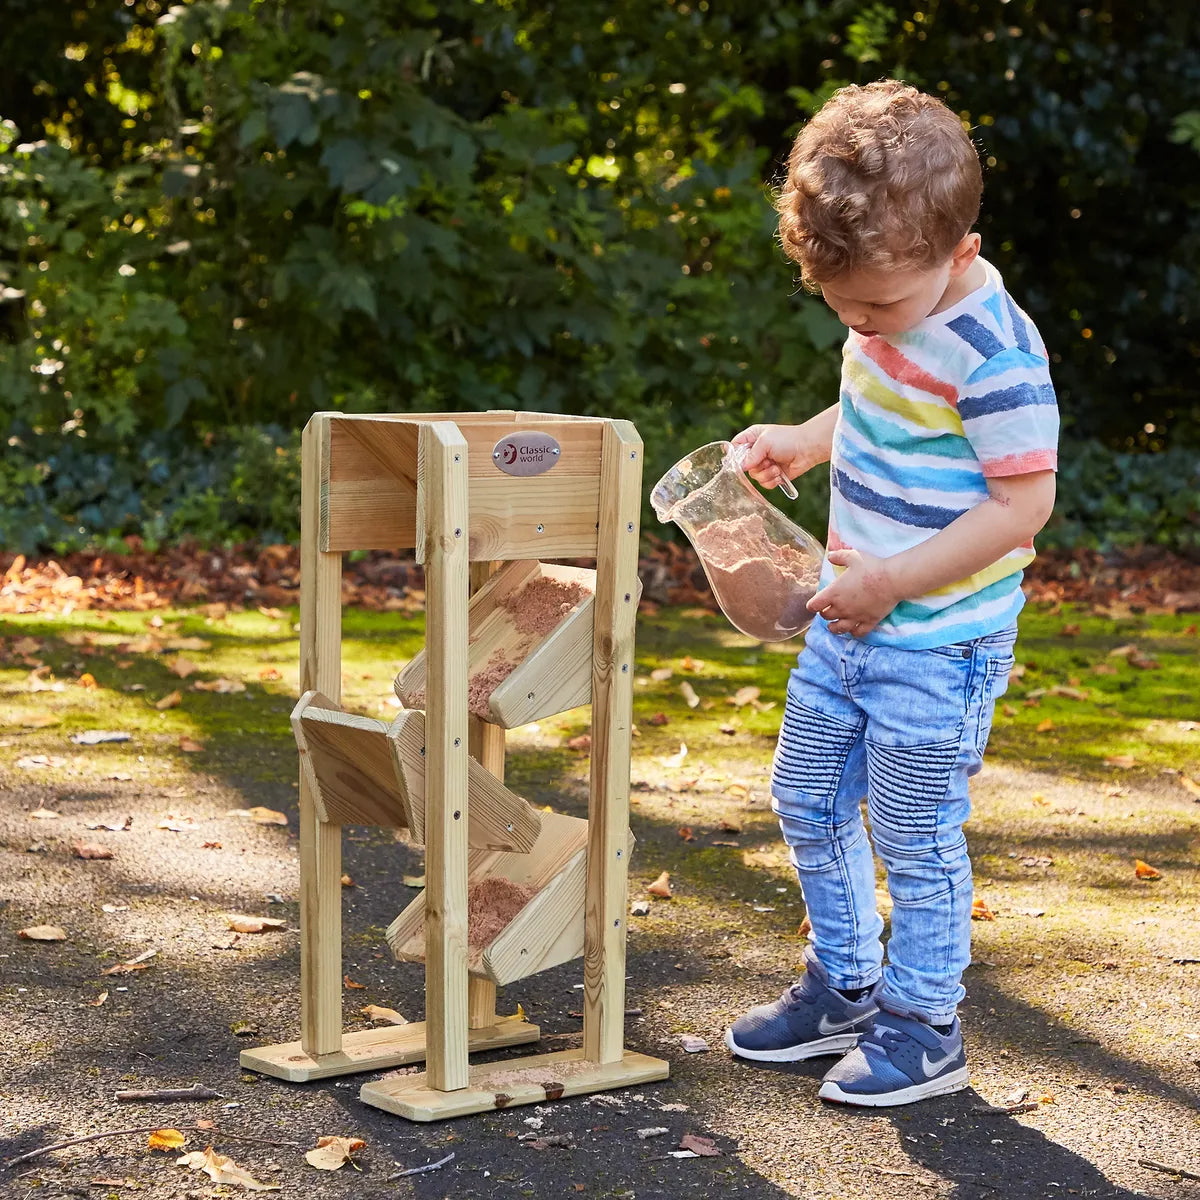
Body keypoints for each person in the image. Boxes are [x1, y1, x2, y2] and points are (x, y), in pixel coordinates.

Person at [724, 79, 1059, 1107]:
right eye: (845, 306)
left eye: (882, 304)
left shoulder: (995, 355)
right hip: (852, 616)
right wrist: (803, 437)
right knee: (807, 795)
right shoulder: (887, 311)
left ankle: (924, 1023)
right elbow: (871, 397)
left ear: (959, 253)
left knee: (913, 832)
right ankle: (847, 984)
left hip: (935, 641)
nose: (865, 322)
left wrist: (891, 585)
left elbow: (1022, 506)